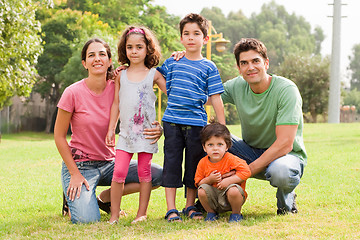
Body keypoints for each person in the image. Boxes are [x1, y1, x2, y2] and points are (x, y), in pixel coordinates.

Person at [54, 38, 163, 224]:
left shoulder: (121, 85)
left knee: (159, 175)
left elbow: (142, 105)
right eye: (91, 55)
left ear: (110, 61)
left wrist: (157, 127)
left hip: (110, 163)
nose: (97, 58)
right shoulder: (72, 92)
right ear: (84, 63)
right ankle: (71, 198)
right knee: (87, 220)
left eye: (102, 54)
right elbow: (59, 137)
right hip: (81, 165)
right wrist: (74, 173)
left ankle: (105, 198)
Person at [221, 38, 307, 215]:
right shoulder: (237, 85)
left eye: (255, 61)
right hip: (249, 151)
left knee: (281, 172)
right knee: (206, 137)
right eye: (244, 63)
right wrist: (187, 60)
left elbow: (285, 143)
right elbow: (202, 96)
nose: (250, 67)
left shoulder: (286, 89)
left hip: (285, 156)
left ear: (266, 63)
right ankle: (215, 199)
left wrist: (245, 172)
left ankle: (286, 201)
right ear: (238, 68)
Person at [156, 13, 226, 222]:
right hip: (172, 122)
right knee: (171, 163)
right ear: (181, 38)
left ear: (204, 39)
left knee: (194, 165)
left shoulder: (209, 67)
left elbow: (215, 98)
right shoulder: (172, 61)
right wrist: (170, 91)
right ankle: (171, 208)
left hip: (197, 124)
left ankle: (189, 206)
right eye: (186, 33)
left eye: (196, 33)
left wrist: (222, 128)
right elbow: (156, 75)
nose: (190, 37)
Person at [105, 26, 166, 225]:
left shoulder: (154, 74)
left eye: (139, 47)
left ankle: (142, 214)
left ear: (148, 49)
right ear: (125, 49)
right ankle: (114, 215)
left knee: (144, 173)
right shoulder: (120, 75)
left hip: (147, 133)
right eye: (130, 47)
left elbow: (173, 99)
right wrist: (111, 129)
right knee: (119, 172)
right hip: (126, 134)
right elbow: (116, 103)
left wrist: (162, 126)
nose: (134, 51)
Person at [194, 122, 251, 222]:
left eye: (220, 144)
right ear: (204, 147)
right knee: (201, 191)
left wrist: (228, 181)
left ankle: (236, 214)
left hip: (231, 196)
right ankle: (211, 213)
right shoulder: (203, 163)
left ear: (227, 146)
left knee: (233, 190)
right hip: (213, 198)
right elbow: (199, 183)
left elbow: (246, 171)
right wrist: (209, 179)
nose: (215, 148)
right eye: (210, 145)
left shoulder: (231, 159)